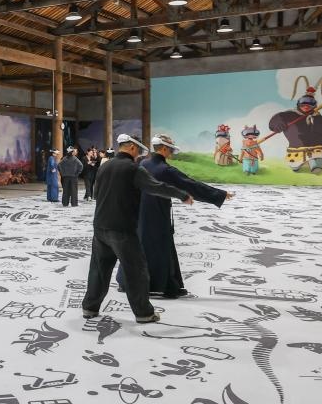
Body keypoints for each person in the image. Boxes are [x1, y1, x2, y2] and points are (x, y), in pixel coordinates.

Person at [83, 133, 192, 324]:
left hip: (100, 226)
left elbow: (96, 193)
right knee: (136, 271)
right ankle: (144, 313)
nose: (139, 154)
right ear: (132, 147)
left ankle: (90, 307)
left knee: (99, 270)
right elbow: (156, 187)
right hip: (123, 229)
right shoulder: (133, 169)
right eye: (139, 150)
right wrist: (182, 195)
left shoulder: (105, 166)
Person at [118, 134, 234, 300]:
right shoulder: (165, 170)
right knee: (160, 247)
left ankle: (127, 281)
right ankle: (161, 285)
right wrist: (219, 194)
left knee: (139, 246)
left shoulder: (142, 164)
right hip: (157, 213)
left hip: (139, 212)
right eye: (171, 149)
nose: (172, 152)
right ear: (165, 149)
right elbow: (191, 185)